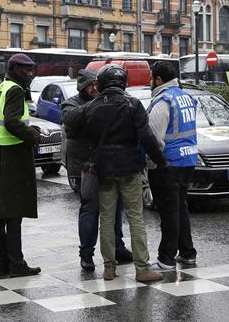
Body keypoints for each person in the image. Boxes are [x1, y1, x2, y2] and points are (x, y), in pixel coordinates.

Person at [65, 65, 167, 283]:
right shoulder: (133, 104)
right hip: (129, 169)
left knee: (107, 219)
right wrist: (160, 161)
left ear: (101, 83)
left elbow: (71, 123)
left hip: (103, 171)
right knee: (135, 218)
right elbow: (147, 137)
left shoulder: (92, 107)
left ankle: (109, 268)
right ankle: (142, 268)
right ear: (123, 83)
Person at [61, 69, 133, 271]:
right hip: (87, 169)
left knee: (115, 210)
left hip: (109, 165)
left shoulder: (108, 100)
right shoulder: (72, 104)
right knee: (90, 210)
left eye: (96, 84)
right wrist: (96, 107)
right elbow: (71, 125)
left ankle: (118, 248)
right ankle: (86, 254)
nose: (94, 88)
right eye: (90, 85)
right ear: (82, 87)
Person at [0, 54, 42, 278]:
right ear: (14, 69)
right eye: (25, 70)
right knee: (13, 216)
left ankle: (2, 265)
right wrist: (33, 136)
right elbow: (12, 122)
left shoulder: (1, 88)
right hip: (12, 156)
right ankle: (16, 264)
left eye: (30, 69)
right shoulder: (14, 90)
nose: (29, 74)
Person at [147, 60, 199, 270]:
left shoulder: (163, 101)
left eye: (151, 78)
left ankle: (166, 258)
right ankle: (187, 253)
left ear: (158, 80)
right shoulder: (186, 97)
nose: (150, 82)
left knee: (168, 212)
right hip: (188, 160)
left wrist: (151, 164)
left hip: (168, 164)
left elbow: (154, 138)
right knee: (180, 209)